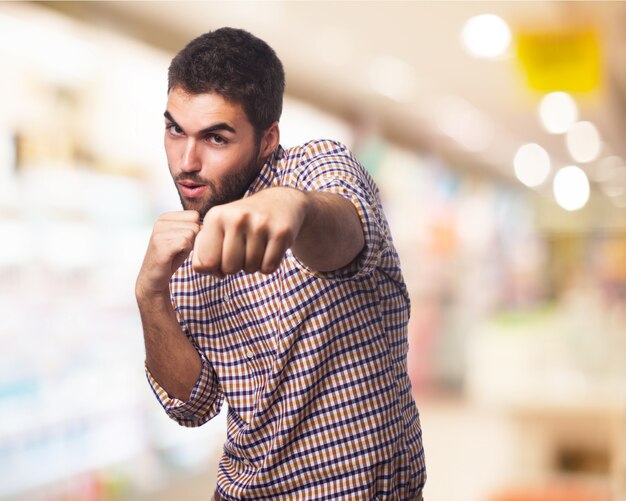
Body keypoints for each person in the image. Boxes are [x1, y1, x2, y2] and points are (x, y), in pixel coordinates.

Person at [135, 27, 426, 500]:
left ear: (267, 139)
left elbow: (350, 233)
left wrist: (297, 209)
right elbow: (193, 406)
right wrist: (149, 295)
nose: (187, 161)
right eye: (175, 130)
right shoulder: (185, 247)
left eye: (215, 137)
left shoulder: (317, 169)